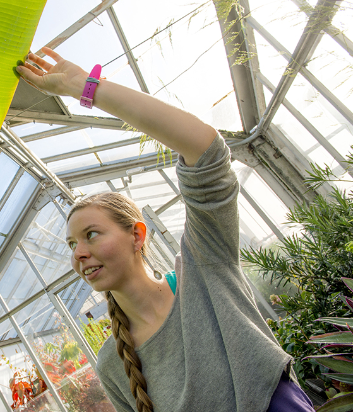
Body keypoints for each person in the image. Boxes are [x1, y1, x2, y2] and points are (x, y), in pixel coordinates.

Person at [16, 47, 315, 412]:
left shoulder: (204, 271)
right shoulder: (113, 364)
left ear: (137, 236)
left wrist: (86, 86)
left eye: (91, 234)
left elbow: (205, 150)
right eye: (71, 243)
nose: (78, 253)